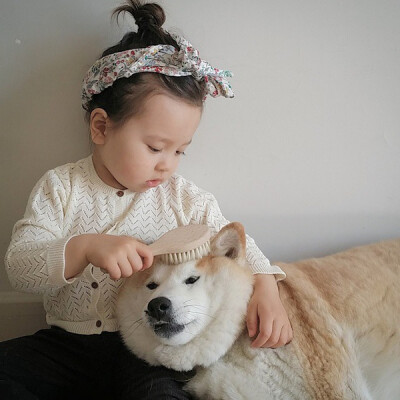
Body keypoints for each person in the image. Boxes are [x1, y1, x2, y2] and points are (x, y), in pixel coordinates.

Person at [1, 1, 293, 399]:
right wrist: (85, 247)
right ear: (102, 127)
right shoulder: (62, 187)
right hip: (67, 345)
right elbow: (20, 266)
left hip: (147, 350)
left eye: (180, 151)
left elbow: (241, 249)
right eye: (156, 147)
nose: (167, 165)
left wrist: (267, 288)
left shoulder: (185, 199)